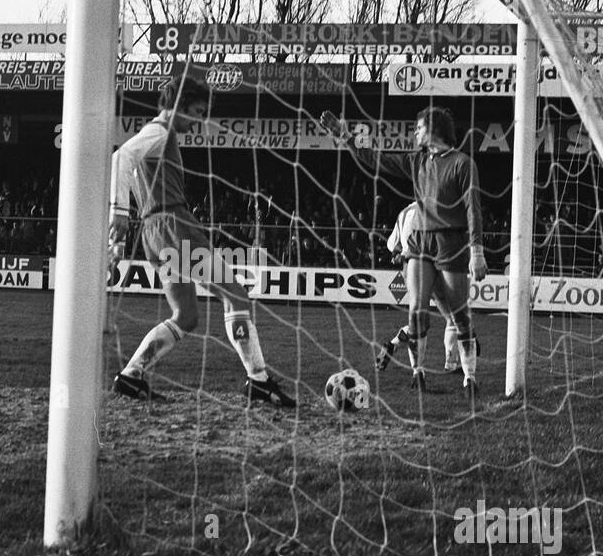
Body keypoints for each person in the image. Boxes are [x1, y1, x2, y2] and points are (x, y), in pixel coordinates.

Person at [108, 75, 295, 407]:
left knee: (186, 316)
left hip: (154, 231)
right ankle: (259, 380)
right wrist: (119, 212)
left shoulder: (153, 134)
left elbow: (128, 164)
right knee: (236, 294)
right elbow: (120, 158)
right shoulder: (159, 132)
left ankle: (130, 376)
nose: (199, 120)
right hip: (174, 226)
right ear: (177, 104)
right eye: (196, 110)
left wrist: (123, 227)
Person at [322, 105, 486, 401]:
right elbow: (376, 160)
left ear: (433, 129)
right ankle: (418, 372)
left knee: (459, 315)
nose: (415, 132)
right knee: (416, 309)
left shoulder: (463, 163)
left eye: (419, 128)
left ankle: (470, 377)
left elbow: (473, 208)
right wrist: (346, 137)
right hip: (419, 241)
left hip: (451, 242)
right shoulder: (416, 161)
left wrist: (477, 251)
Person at [375, 201, 464, 374]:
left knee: (419, 319)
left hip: (411, 269)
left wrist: (401, 254)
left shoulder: (404, 211)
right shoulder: (439, 207)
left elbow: (392, 245)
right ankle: (451, 364)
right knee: (452, 317)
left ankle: (394, 345)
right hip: (434, 267)